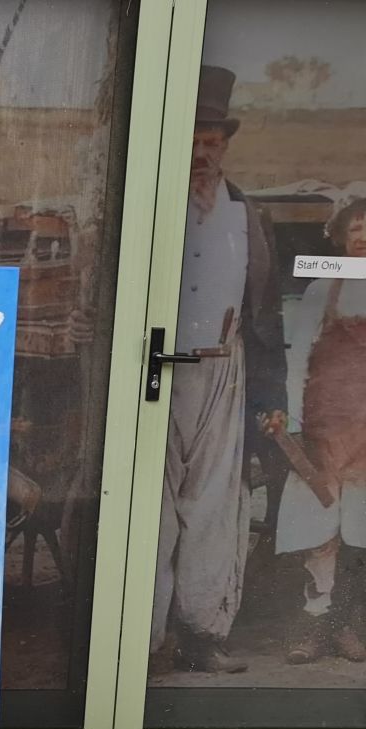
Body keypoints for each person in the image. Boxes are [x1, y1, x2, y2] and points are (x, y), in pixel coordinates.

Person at [150, 65, 288, 674]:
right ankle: (146, 642)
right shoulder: (149, 206)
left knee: (212, 507)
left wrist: (268, 395)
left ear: (225, 147)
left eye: (214, 144)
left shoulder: (243, 212)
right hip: (151, 369)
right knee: (151, 510)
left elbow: (264, 314)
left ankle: (203, 635)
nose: (204, 154)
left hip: (222, 375)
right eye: (194, 142)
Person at [274, 184, 366, 665]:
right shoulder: (320, 287)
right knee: (319, 529)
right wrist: (293, 421)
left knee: (361, 530)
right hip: (325, 430)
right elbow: (296, 360)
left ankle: (349, 624)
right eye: (355, 226)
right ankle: (313, 622)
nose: (363, 236)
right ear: (338, 234)